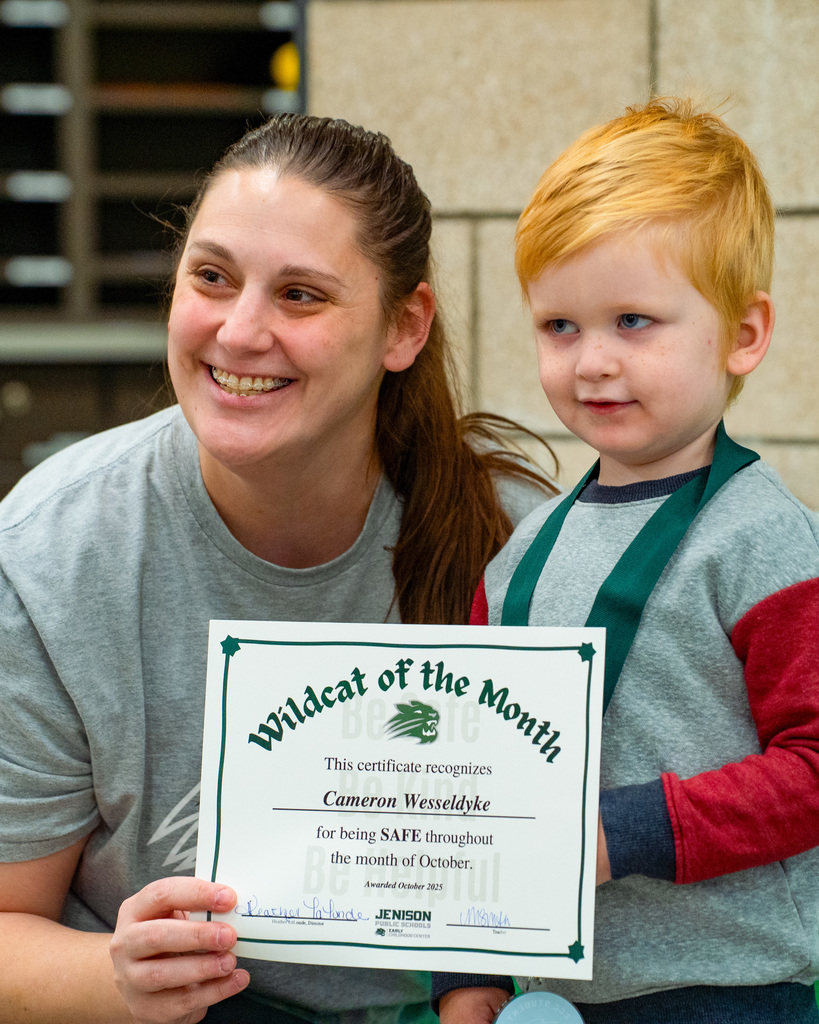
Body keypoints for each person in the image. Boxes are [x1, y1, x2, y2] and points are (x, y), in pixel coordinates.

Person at [0, 114, 556, 1024]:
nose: (241, 331)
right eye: (211, 278)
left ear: (403, 326)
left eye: (300, 295)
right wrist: (119, 976)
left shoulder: (522, 544)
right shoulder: (53, 553)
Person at [434, 98, 819, 1024]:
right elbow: (471, 789)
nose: (591, 361)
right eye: (559, 326)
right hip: (548, 998)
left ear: (743, 334)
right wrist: (467, 985)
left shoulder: (762, 538)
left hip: (729, 994)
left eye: (633, 321)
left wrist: (623, 831)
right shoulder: (518, 556)